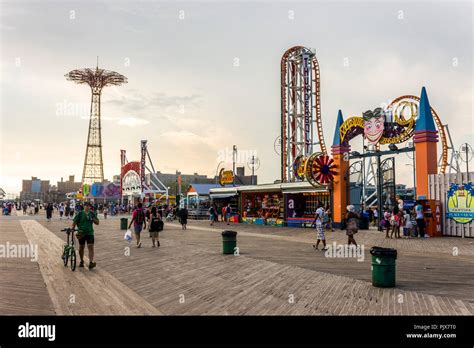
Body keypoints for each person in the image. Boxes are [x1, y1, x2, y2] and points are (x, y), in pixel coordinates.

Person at [71, 202, 99, 269]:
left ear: (90, 207)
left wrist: (92, 219)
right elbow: (74, 222)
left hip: (90, 233)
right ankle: (81, 261)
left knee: (91, 246)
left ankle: (91, 262)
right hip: (81, 233)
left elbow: (97, 222)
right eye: (86, 205)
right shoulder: (80, 213)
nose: (87, 207)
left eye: (88, 206)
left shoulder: (92, 213)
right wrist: (72, 229)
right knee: (81, 247)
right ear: (84, 206)